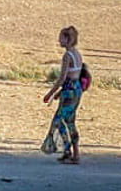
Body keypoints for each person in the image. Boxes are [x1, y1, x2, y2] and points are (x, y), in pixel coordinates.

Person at [42, 26, 83, 164]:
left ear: (67, 39)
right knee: (70, 121)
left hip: (69, 91)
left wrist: (50, 93)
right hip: (76, 89)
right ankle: (75, 153)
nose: (59, 40)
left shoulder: (67, 56)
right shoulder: (77, 54)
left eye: (61, 37)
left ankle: (67, 150)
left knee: (58, 121)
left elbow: (62, 78)